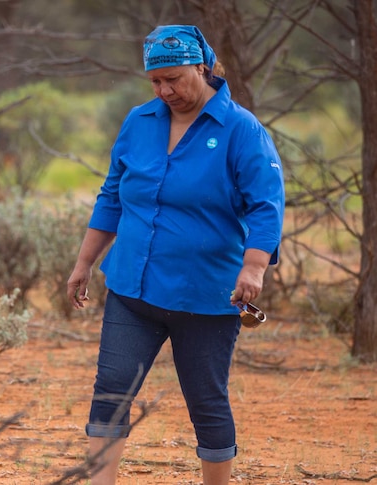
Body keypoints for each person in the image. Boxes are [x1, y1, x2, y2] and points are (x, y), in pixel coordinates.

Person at [66, 24, 285, 485]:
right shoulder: (139, 122)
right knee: (111, 391)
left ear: (202, 67)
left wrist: (254, 267)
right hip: (133, 287)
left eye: (175, 78)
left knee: (206, 400)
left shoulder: (241, 130)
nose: (166, 90)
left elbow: (266, 204)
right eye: (155, 81)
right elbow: (112, 196)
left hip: (206, 294)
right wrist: (84, 262)